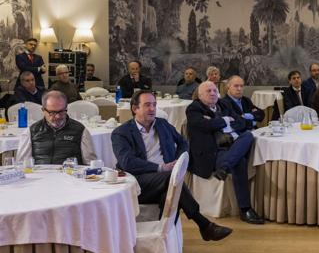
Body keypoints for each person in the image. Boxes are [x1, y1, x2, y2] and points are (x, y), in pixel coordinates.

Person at [111, 90, 232, 241]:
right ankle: (203, 224)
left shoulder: (162, 124)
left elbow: (183, 142)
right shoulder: (121, 133)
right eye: (147, 105)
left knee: (169, 195)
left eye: (154, 105)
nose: (152, 109)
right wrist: (162, 168)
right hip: (139, 182)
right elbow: (127, 162)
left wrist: (178, 161)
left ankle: (162, 239)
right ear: (135, 109)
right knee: (173, 179)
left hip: (164, 181)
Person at [186, 81, 264, 224]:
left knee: (248, 135)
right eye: (208, 91)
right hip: (212, 152)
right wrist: (225, 120)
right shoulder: (194, 108)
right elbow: (204, 125)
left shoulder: (224, 104)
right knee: (239, 161)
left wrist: (218, 121)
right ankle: (245, 209)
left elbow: (241, 122)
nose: (212, 93)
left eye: (214, 91)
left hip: (232, 147)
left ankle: (225, 167)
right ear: (200, 95)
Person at [17, 90, 97, 166]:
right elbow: (22, 164)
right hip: (41, 176)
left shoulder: (80, 130)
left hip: (70, 177)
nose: (58, 116)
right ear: (43, 110)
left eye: (61, 111)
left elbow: (91, 164)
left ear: (66, 109)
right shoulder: (31, 131)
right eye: (52, 112)